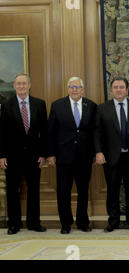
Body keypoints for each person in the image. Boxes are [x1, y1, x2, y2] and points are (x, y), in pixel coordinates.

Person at [94, 77, 129, 232]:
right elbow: (97, 133)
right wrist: (98, 152)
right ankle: (113, 222)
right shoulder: (102, 109)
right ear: (112, 90)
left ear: (127, 90)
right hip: (111, 158)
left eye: (121, 87)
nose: (118, 90)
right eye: (115, 87)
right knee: (112, 191)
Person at [47, 77, 97, 234]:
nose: (75, 89)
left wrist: (96, 153)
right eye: (72, 87)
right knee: (63, 192)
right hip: (63, 157)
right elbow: (51, 132)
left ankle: (83, 222)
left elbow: (95, 132)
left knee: (83, 191)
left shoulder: (91, 106)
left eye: (78, 87)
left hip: (84, 157)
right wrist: (51, 154)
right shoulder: (57, 105)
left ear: (83, 89)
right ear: (67, 89)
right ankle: (66, 224)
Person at [0, 73, 48, 235]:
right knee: (13, 190)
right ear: (14, 86)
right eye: (18, 84)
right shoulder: (6, 105)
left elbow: (44, 132)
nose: (21, 86)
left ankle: (34, 223)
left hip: (34, 157)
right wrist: (2, 155)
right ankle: (14, 224)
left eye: (24, 83)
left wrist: (43, 154)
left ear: (29, 85)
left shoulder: (39, 104)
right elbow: (2, 133)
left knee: (34, 190)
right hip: (12, 156)